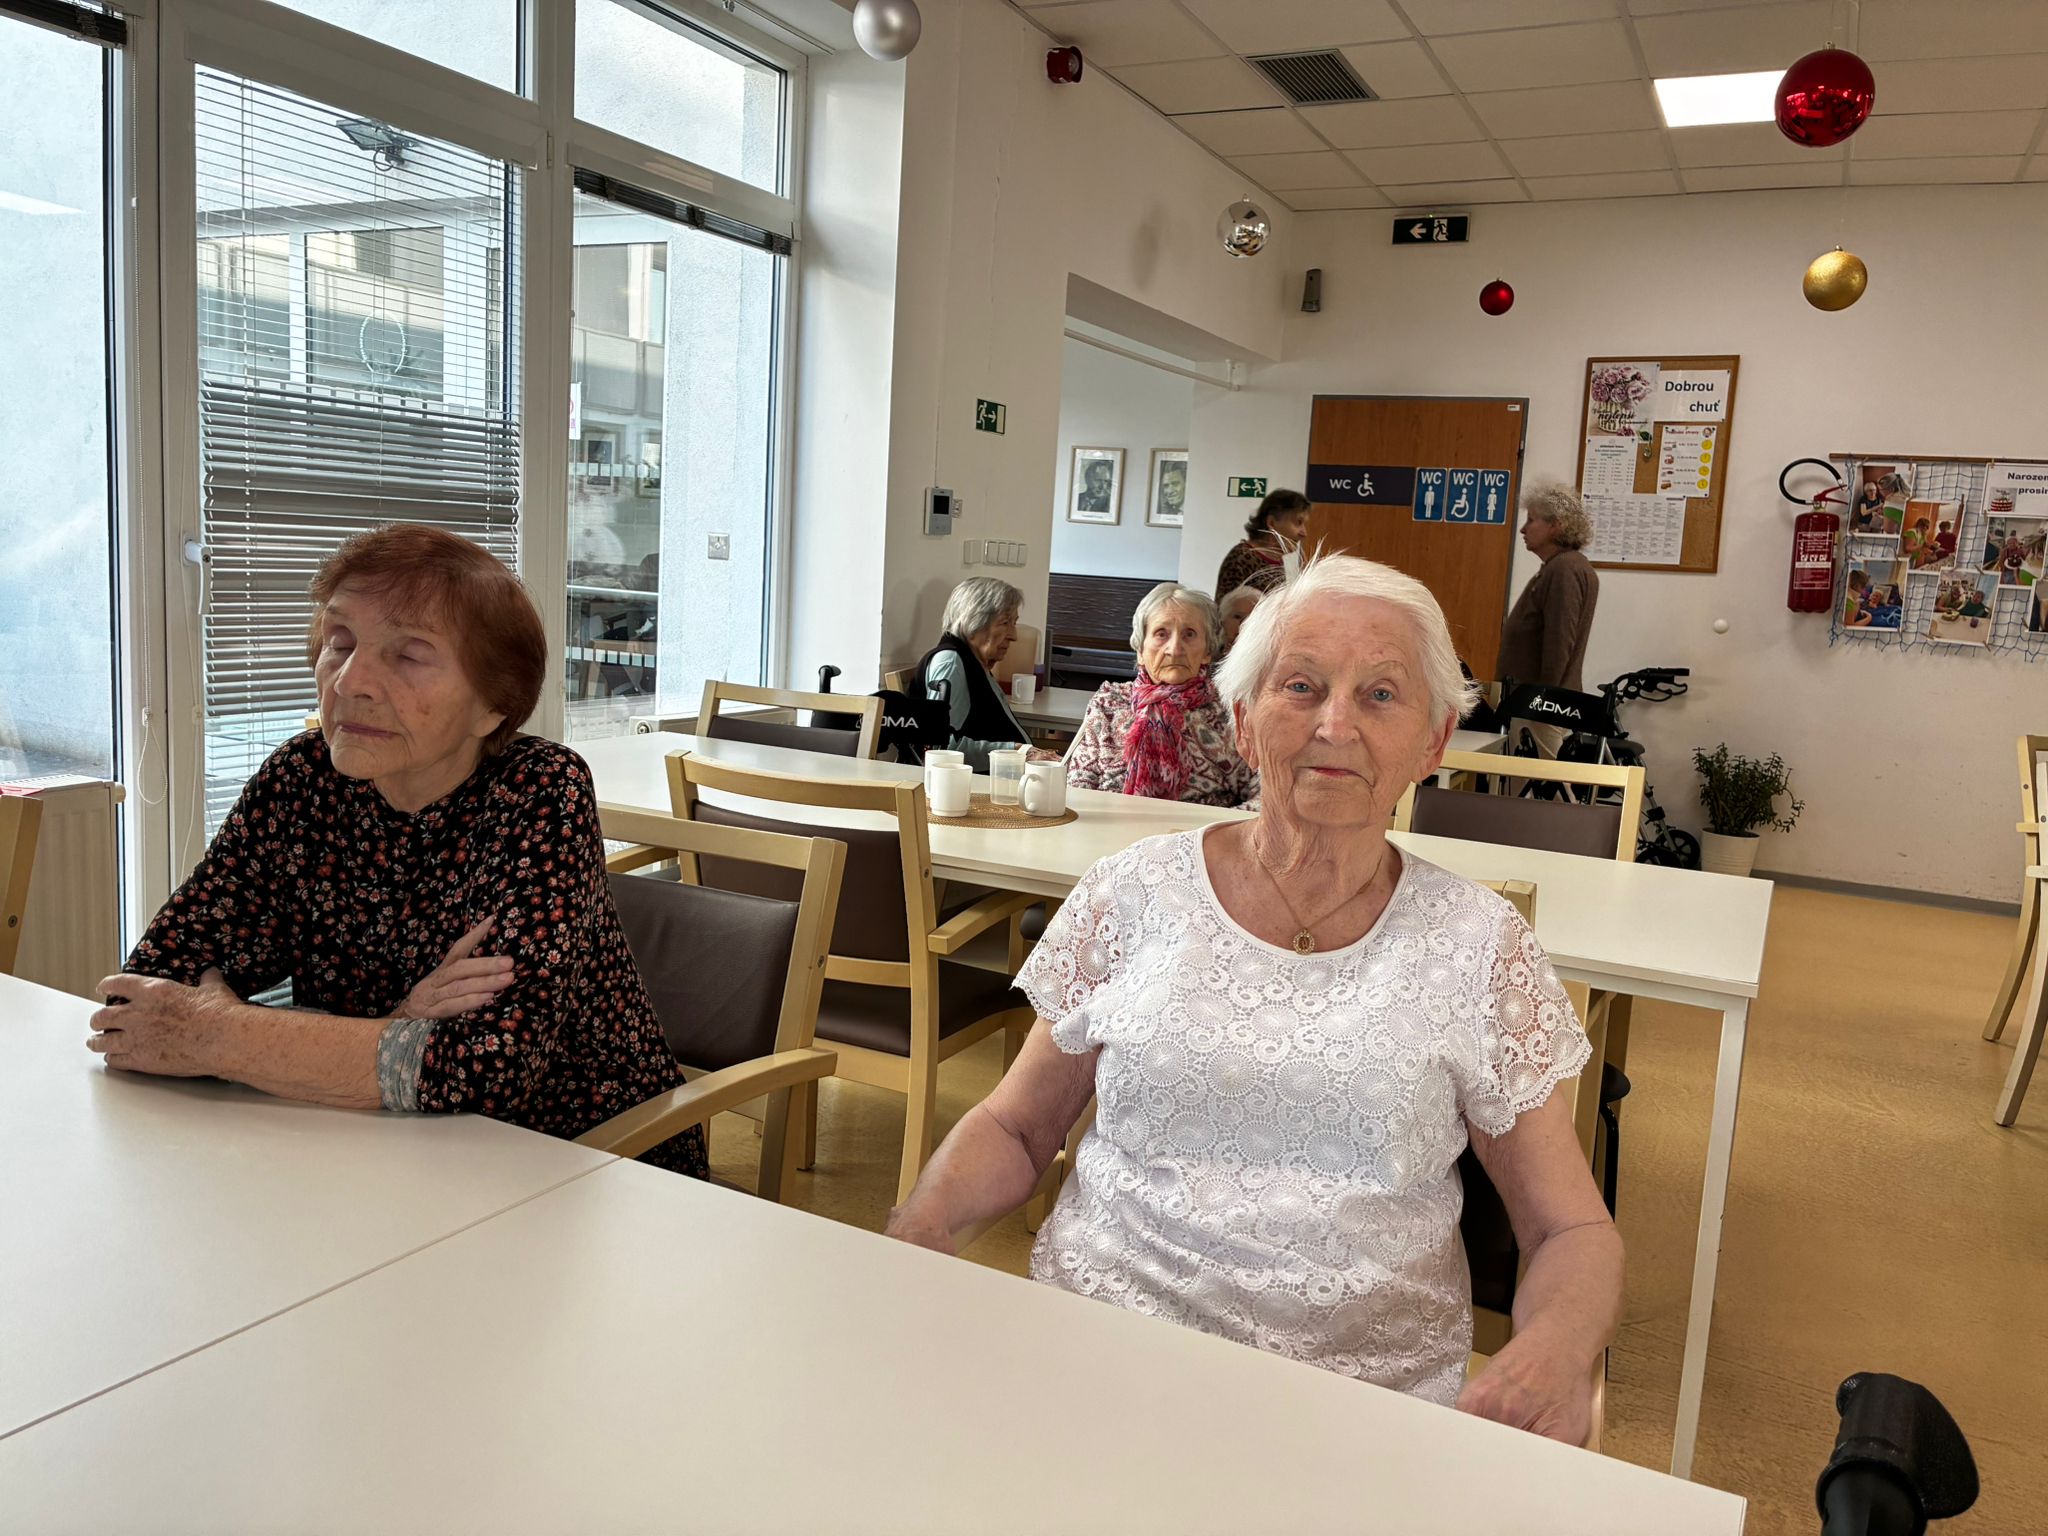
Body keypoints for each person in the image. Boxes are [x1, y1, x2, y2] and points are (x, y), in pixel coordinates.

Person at [886, 555, 1618, 1443]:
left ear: (1434, 742)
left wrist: (1556, 1349)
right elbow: (1015, 1127)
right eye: (1300, 686)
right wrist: (924, 1221)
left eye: (1381, 694)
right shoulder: (1132, 892)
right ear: (1241, 720)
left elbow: (1571, 1229)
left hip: (1360, 1413)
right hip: (1100, 1360)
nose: (1335, 724)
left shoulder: (1480, 944)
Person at [88, 524, 703, 1175]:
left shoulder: (539, 791)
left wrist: (218, 1033)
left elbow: (490, 1069)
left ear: (493, 706)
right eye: (339, 642)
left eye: (409, 655)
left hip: (582, 1162)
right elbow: (144, 999)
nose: (350, 681)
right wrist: (405, 1024)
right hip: (380, 1150)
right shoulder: (302, 780)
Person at [1063, 583, 1256, 808]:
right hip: (1112, 825)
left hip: (1201, 829)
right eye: (1161, 634)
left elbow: (1265, 797)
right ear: (1140, 650)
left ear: (1207, 651)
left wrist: (1212, 827)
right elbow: (1078, 786)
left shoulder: (1232, 710)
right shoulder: (1108, 703)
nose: (1174, 649)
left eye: (1189, 634)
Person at [1497, 481, 1600, 752]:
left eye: (1531, 520)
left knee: (1537, 777)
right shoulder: (1559, 567)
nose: (1523, 529)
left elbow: (1559, 642)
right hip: (1538, 702)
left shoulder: (1564, 570)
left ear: (1556, 525)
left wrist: (1539, 700)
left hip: (1543, 706)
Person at [918, 576, 1031, 771]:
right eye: (1005, 623)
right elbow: (942, 748)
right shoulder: (951, 663)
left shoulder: (974, 661)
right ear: (973, 623)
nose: (1014, 636)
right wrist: (1018, 752)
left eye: (1014, 623)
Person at [1214, 488, 1311, 597]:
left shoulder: (1277, 561)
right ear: (1271, 523)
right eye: (1298, 522)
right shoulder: (1242, 557)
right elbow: (1227, 606)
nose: (1304, 533)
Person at [1217, 585, 1262, 654]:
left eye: (1252, 618)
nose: (1244, 623)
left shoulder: (1270, 658)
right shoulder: (1205, 654)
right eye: (1238, 617)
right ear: (1222, 618)